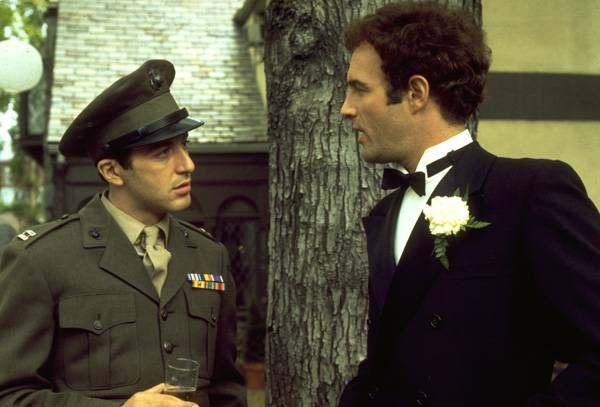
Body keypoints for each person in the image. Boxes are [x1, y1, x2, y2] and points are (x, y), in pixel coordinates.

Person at [338, 3, 600, 406]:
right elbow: (388, 362)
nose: (346, 109)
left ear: (415, 93)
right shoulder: (384, 214)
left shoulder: (530, 192)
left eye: (359, 88)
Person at [0, 60, 246, 406]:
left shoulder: (210, 255)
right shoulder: (41, 260)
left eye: (184, 145)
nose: (187, 165)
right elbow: (9, 396)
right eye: (163, 153)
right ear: (112, 171)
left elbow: (227, 390)